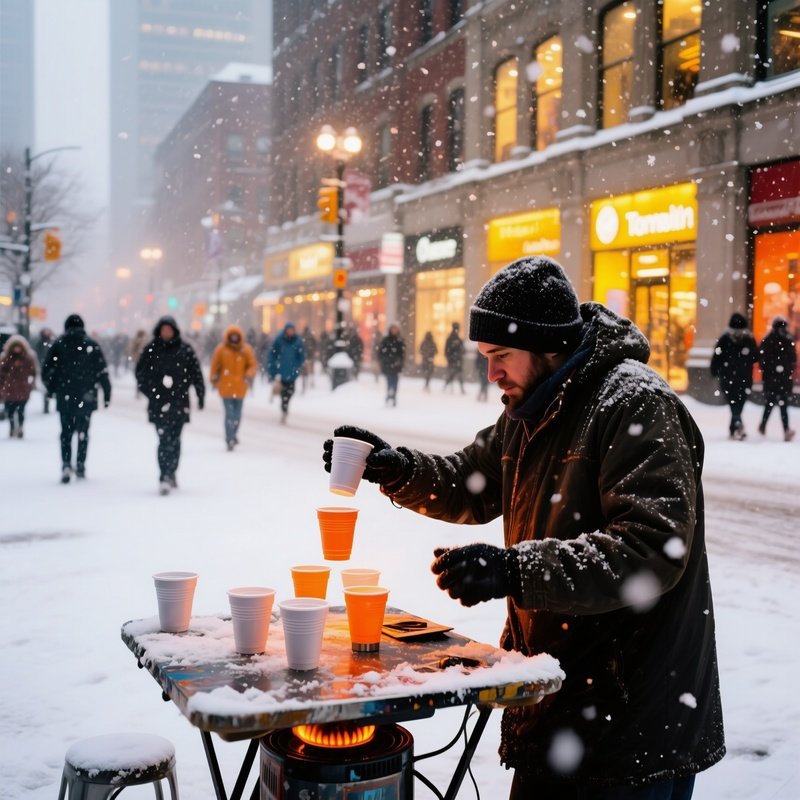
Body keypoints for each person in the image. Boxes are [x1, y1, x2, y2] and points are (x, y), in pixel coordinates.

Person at [322, 256, 724, 799]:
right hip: (560, 695)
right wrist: (397, 468)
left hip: (630, 716)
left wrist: (516, 569)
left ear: (547, 345)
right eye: (486, 357)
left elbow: (651, 550)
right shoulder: (531, 410)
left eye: (500, 356)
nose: (490, 374)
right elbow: (471, 478)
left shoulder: (634, 404)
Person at [135, 316, 205, 495]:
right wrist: (151, 392)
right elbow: (140, 374)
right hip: (158, 404)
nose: (166, 333)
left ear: (174, 330)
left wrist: (200, 393)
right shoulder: (151, 349)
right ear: (159, 331)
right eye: (163, 329)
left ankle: (172, 471)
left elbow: (196, 373)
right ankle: (164, 475)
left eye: (169, 329)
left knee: (175, 440)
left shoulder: (185, 350)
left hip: (179, 403)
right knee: (163, 440)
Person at [42, 314, 111, 483]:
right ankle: (80, 464)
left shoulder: (58, 345)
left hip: (65, 396)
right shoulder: (92, 345)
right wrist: (106, 394)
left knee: (66, 433)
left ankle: (66, 464)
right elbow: (102, 372)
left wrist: (52, 389)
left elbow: (47, 371)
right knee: (83, 433)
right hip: (86, 396)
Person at [209, 324, 257, 451]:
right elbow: (215, 365)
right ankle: (229, 438)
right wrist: (213, 378)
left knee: (237, 415)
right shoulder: (221, 350)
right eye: (232, 336)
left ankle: (233, 434)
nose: (234, 338)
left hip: (240, 388)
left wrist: (248, 375)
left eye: (237, 336)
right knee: (229, 414)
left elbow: (252, 365)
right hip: (226, 388)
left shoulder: (246, 350)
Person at [710, 312, 758, 439]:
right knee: (739, 403)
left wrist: (714, 370)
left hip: (728, 377)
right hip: (744, 377)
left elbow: (717, 356)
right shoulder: (748, 339)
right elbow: (755, 357)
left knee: (733, 403)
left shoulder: (725, 338)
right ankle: (737, 425)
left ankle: (734, 427)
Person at [757, 315, 797, 441]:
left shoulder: (768, 340)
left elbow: (762, 361)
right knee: (782, 404)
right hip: (782, 379)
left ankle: (764, 425)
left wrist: (768, 372)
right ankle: (784, 429)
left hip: (772, 379)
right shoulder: (788, 340)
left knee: (770, 403)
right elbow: (793, 360)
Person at [0, 334, 38, 438]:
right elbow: (1, 373)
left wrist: (30, 384)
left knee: (21, 410)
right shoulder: (5, 358)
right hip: (9, 389)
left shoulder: (28, 358)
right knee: (10, 410)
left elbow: (33, 372)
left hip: (23, 389)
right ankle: (12, 427)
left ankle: (20, 427)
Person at [267, 322, 305, 424]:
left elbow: (301, 355)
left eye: (292, 330)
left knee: (291, 391)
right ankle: (284, 408)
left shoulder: (297, 341)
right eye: (289, 330)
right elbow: (272, 354)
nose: (290, 332)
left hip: (292, 372)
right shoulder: (279, 340)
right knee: (283, 392)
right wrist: (274, 368)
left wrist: (298, 364)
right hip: (281, 371)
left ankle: (285, 405)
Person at [377, 324, 405, 406]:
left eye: (395, 329)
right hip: (388, 365)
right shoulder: (386, 340)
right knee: (390, 380)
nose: (394, 331)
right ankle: (390, 393)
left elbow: (402, 354)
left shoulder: (399, 341)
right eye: (393, 329)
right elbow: (380, 353)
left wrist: (400, 362)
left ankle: (393, 395)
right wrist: (384, 361)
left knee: (395, 381)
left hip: (396, 365)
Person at [34, 327, 54, 413]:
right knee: (45, 387)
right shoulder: (39, 344)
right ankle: (46, 405)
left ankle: (48, 402)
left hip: (50, 368)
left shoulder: (52, 343)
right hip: (44, 368)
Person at [443, 321, 466, 393]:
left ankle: (446, 387)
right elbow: (463, 350)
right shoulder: (458, 339)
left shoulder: (450, 338)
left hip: (453, 360)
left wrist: (449, 358)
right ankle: (460, 389)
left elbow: (446, 351)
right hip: (456, 360)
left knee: (452, 374)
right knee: (457, 375)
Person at [301, 325, 318, 391]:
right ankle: (310, 381)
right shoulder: (311, 336)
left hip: (305, 356)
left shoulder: (303, 336)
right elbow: (315, 344)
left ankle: (306, 383)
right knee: (311, 370)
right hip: (310, 355)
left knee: (305, 371)